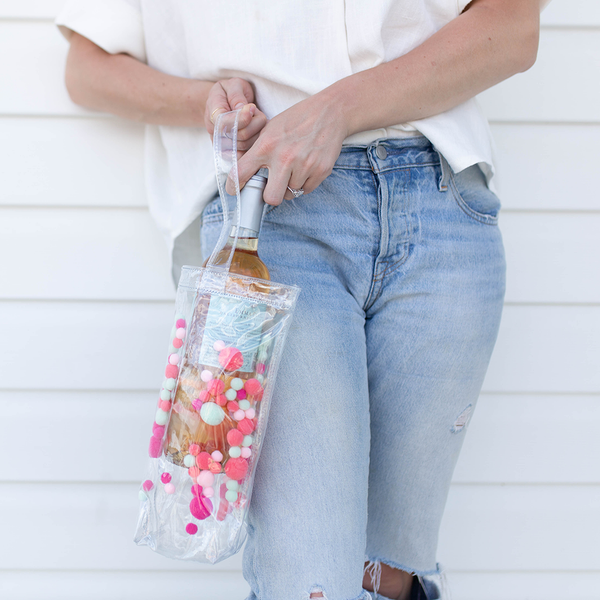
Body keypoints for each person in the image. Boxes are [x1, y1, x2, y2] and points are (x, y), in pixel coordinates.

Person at [57, 1, 546, 598]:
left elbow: (513, 28)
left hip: (443, 208)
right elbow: (87, 66)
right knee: (310, 578)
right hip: (266, 222)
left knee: (392, 572)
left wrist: (336, 109)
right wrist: (207, 102)